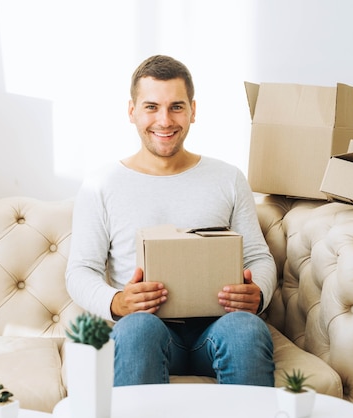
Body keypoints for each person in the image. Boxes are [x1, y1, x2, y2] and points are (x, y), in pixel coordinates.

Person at [65, 54, 276, 387]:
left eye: (176, 107)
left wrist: (258, 293)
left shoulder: (228, 178)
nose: (164, 121)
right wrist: (116, 302)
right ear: (131, 111)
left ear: (193, 110)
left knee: (247, 328)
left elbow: (258, 257)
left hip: (217, 324)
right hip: (147, 325)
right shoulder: (101, 185)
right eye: (151, 107)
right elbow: (80, 271)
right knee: (135, 329)